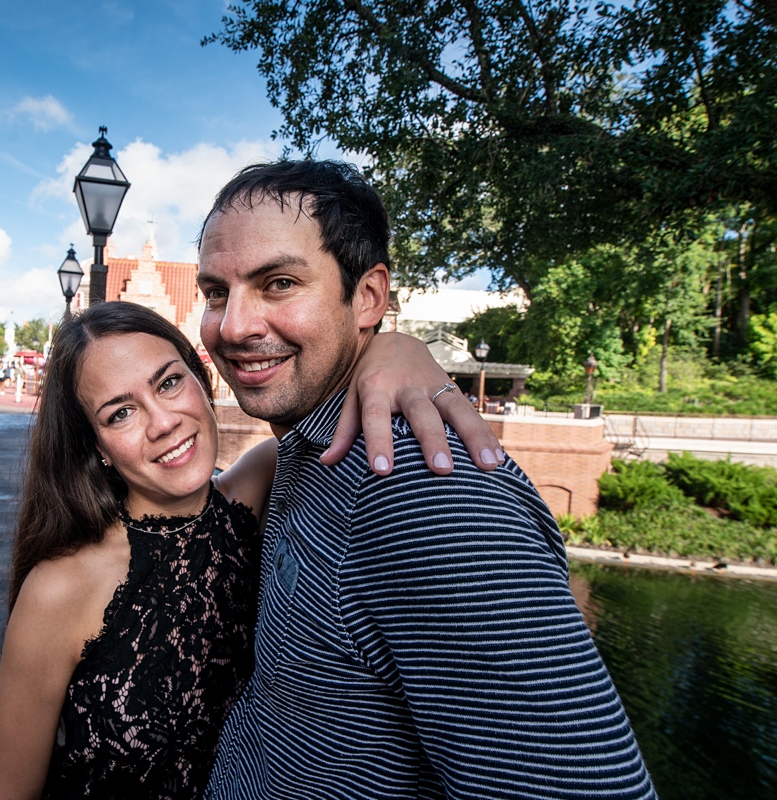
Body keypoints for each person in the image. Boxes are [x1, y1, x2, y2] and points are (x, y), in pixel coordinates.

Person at [196, 159, 656, 799]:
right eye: (216, 292)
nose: (233, 325)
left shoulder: (424, 490)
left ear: (368, 297)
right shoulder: (305, 452)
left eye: (278, 283)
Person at [0, 303, 502, 800]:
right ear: (96, 445)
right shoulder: (59, 589)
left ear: (203, 383)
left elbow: (334, 383)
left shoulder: (263, 480)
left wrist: (399, 347)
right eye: (120, 413)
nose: (163, 422)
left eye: (168, 382)